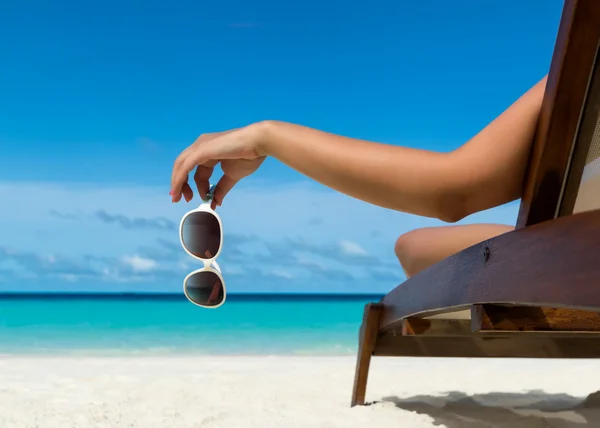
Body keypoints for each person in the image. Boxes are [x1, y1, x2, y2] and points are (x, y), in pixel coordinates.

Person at [170, 76, 547, 278]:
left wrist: (265, 138)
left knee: (417, 249)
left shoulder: (586, 45)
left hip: (576, 251)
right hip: (577, 241)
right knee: (412, 246)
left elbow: (453, 191)